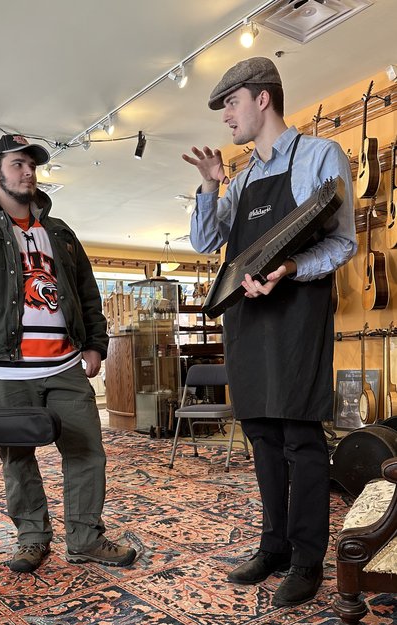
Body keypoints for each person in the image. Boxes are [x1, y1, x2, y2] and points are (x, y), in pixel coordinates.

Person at [183, 57, 356, 607]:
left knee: (301, 439)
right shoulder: (245, 177)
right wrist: (210, 188)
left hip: (297, 313)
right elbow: (206, 243)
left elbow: (343, 243)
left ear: (262, 99)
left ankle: (307, 559)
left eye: (230, 103)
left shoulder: (320, 156)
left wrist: (288, 270)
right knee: (260, 436)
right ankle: (274, 545)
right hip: (246, 318)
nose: (226, 117)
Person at [0, 134, 136, 573]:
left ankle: (85, 537)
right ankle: (32, 537)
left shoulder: (60, 233)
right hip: (4, 371)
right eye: (17, 164)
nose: (28, 172)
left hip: (65, 366)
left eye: (32, 165)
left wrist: (95, 344)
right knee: (17, 458)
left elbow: (88, 293)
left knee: (87, 452)